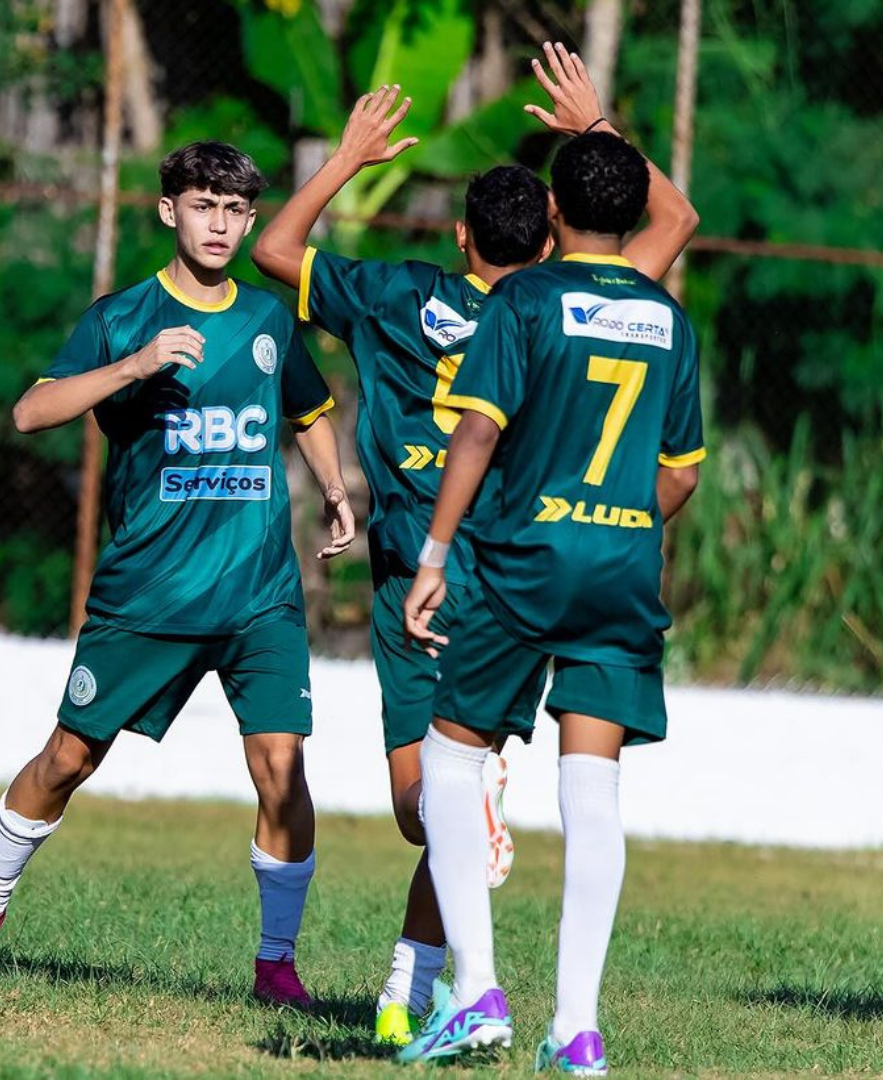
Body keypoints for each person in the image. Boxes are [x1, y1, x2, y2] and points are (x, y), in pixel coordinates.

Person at [252, 42, 698, 1045]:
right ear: (544, 235)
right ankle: (432, 993)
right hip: (579, 556)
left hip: (442, 555)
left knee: (431, 798)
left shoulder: (409, 297)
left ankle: (466, 978)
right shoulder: (599, 305)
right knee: (565, 780)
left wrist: (348, 160)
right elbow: (673, 221)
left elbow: (275, 252)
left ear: (460, 234)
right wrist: (596, 131)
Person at [0, 141, 356, 1010]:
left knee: (282, 768)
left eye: (235, 211)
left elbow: (308, 411)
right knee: (66, 761)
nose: (220, 225)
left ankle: (276, 966)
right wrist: (135, 365)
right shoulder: (122, 318)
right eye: (204, 207)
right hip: (148, 593)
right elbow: (32, 409)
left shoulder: (269, 321)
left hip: (258, 594)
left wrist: (336, 489)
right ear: (169, 212)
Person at [400, 117, 705, 1067]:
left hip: (524, 556)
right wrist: (612, 520)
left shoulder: (526, 298)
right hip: (623, 566)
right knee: (594, 787)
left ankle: (478, 989)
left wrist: (434, 553)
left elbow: (479, 431)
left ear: (555, 213)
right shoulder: (668, 317)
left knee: (450, 759)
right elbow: (683, 474)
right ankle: (576, 1029)